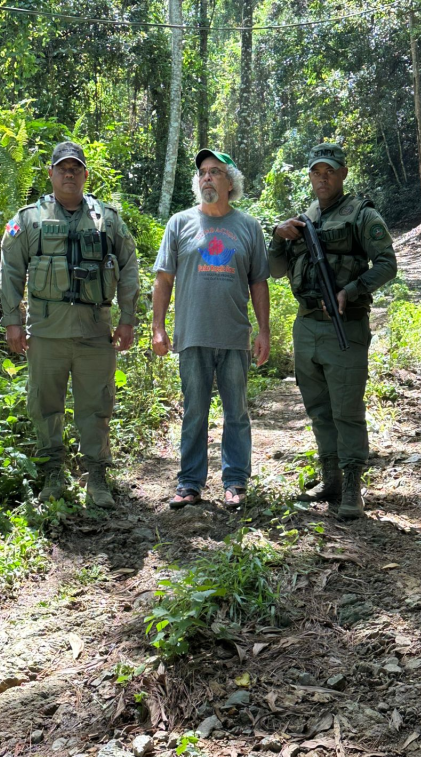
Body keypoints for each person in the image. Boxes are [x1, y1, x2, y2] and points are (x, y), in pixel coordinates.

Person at [0, 142, 139, 509]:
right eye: (62, 168)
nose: (69, 174)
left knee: (96, 406)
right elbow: (10, 269)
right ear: (50, 173)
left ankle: (97, 477)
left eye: (76, 168)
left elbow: (129, 268)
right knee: (45, 405)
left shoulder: (107, 219)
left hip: (95, 332)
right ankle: (52, 475)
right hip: (46, 333)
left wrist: (127, 319)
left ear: (85, 175)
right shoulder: (29, 218)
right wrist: (12, 321)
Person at [268, 143, 397, 519]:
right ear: (309, 176)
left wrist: (352, 290)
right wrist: (277, 236)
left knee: (347, 410)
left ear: (342, 174)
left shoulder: (361, 214)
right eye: (316, 172)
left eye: (330, 171)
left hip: (346, 326)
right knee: (319, 408)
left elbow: (388, 264)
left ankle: (353, 487)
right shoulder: (304, 218)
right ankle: (331, 479)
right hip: (305, 325)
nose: (322, 178)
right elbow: (275, 270)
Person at [152, 149, 270, 509]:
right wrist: (158, 327)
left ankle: (235, 482)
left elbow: (259, 283)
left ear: (230, 182)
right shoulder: (179, 223)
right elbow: (163, 279)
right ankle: (189, 484)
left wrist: (263, 331)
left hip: (234, 337)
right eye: (203, 172)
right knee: (194, 412)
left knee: (236, 413)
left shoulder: (248, 227)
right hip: (192, 335)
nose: (207, 177)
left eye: (215, 172)